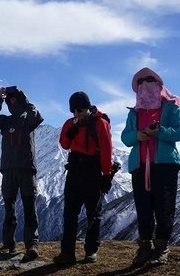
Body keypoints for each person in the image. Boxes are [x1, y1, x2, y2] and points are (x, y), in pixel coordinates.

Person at [121, 67, 180, 266]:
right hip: (141, 165)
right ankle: (145, 248)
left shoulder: (170, 108)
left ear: (159, 86)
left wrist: (160, 132)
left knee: (164, 207)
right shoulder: (134, 113)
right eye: (141, 83)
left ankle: (161, 248)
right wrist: (137, 136)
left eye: (150, 81)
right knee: (143, 208)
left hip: (164, 165)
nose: (145, 85)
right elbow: (125, 137)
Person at [0, 86, 44, 262]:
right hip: (9, 170)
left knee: (29, 208)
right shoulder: (5, 121)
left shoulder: (30, 118)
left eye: (14, 99)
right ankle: (9, 243)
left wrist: (24, 98)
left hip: (26, 169)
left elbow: (36, 116)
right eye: (11, 100)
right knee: (10, 209)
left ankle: (32, 245)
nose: (13, 103)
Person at [53, 91, 114, 265]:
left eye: (79, 110)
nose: (76, 114)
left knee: (93, 214)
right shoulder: (70, 123)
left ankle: (90, 251)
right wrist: (69, 134)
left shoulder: (100, 124)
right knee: (69, 214)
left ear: (87, 107)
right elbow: (64, 145)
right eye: (73, 111)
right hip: (74, 171)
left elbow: (106, 149)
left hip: (92, 172)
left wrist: (107, 174)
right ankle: (67, 253)